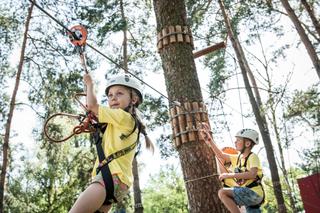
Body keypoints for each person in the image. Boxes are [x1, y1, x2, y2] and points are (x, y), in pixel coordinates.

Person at [69, 73, 154, 213]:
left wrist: (90, 84)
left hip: (110, 176)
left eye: (119, 93)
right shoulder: (118, 123)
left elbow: (92, 105)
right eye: (110, 95)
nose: (113, 98)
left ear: (133, 99)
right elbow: (94, 112)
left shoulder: (123, 117)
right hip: (117, 183)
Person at [200, 123, 264, 213]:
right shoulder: (237, 158)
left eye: (238, 140)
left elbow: (252, 174)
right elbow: (220, 155)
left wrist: (228, 175)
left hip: (253, 193)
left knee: (222, 193)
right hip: (249, 197)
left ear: (247, 143)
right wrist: (209, 139)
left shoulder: (252, 157)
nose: (235, 142)